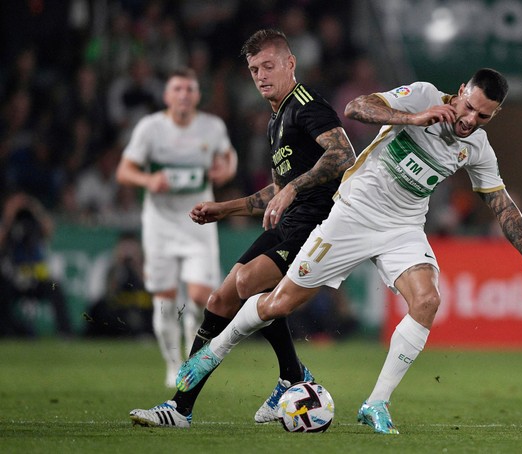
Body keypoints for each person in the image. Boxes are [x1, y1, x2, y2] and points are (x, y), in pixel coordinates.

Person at [170, 68, 522, 435]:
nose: (472, 120)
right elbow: (356, 107)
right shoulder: (423, 95)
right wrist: (413, 118)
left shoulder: (477, 148)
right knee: (276, 305)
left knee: (427, 301)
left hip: (402, 228)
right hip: (352, 216)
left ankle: (376, 403)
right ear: (460, 92)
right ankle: (211, 354)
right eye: (470, 107)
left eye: (485, 116)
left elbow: (501, 203)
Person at [129, 29, 356, 427]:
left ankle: (291, 376)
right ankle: (181, 408)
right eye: (254, 69)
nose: (261, 75)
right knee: (218, 301)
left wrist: (292, 191)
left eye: (269, 65)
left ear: (290, 64)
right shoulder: (275, 120)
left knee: (250, 283)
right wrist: (225, 209)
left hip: (317, 226)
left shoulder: (305, 105)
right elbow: (277, 190)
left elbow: (342, 155)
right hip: (288, 222)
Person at [116, 67, 238, 387]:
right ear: (167, 95)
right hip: (160, 223)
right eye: (178, 89)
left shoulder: (212, 127)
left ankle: (188, 354)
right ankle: (173, 365)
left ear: (198, 95)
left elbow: (229, 157)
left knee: (199, 297)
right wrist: (148, 179)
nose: (184, 94)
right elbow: (125, 171)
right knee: (165, 299)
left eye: (190, 89)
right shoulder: (151, 128)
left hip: (198, 220)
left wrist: (225, 170)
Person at [0, 192, 72, 337]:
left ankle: (65, 332)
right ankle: (7, 331)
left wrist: (33, 208)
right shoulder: (7, 224)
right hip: (15, 275)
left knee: (54, 286)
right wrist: (10, 215)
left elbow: (49, 230)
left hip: (37, 274)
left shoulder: (34, 221)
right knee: (2, 289)